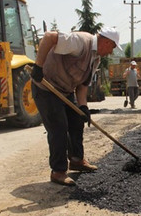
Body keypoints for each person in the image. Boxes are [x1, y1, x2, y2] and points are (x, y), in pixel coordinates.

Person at [30, 27, 122, 186]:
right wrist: (38, 66)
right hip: (46, 87)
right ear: (106, 41)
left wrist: (83, 107)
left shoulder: (95, 58)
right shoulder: (81, 42)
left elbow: (82, 86)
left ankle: (76, 160)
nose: (111, 52)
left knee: (77, 120)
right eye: (112, 47)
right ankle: (58, 171)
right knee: (59, 127)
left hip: (65, 91)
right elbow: (49, 36)